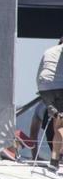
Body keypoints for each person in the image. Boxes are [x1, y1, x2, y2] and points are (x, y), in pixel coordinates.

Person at [36, 37, 63, 170]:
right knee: (61, 126)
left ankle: (54, 160)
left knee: (57, 123)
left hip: (44, 89)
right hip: (59, 88)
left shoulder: (49, 50)